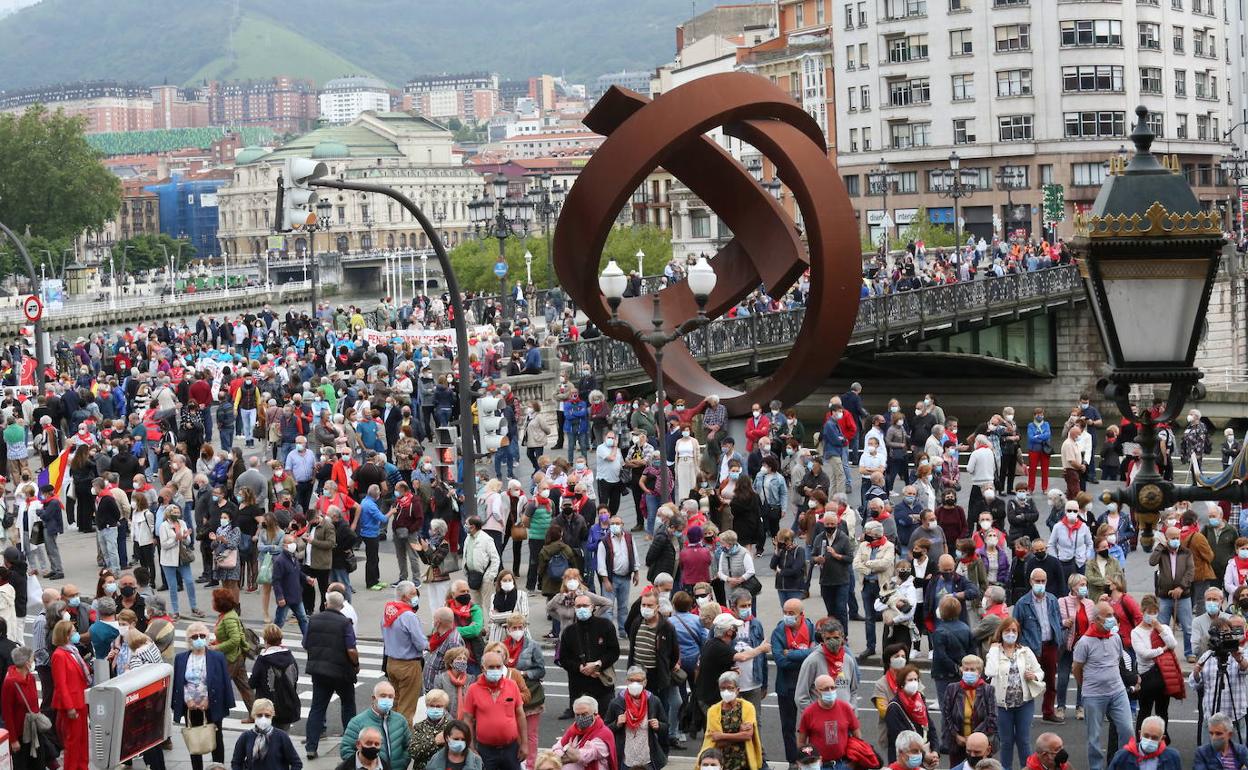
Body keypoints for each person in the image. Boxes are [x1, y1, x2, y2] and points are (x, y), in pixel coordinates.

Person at [1072, 602, 1134, 770]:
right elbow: (1076, 668)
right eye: (1108, 616)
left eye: (1112, 614)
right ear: (1097, 619)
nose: (1112, 619)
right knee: (1094, 737)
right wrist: (1085, 685)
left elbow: (1118, 661)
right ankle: (1097, 767)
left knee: (1128, 730)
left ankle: (1124, 765)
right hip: (1094, 695)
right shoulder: (1084, 642)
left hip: (1117, 691)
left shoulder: (1115, 638)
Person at [303, 592, 359, 760]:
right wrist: (355, 664)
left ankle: (311, 747)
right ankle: (350, 743)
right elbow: (351, 649)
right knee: (348, 705)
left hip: (319, 671)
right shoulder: (344, 623)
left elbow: (306, 643)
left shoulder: (313, 620)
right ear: (341, 607)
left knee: (317, 708)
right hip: (342, 671)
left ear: (326, 603)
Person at [172, 621, 235, 770]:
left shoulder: (217, 657)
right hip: (191, 706)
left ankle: (218, 767)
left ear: (207, 637)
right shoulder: (181, 658)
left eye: (201, 635)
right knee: (194, 740)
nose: (198, 638)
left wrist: (208, 699)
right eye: (194, 636)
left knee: (216, 740)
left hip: (211, 703)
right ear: (189, 639)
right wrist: (187, 700)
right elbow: (180, 682)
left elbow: (222, 681)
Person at [984, 618, 1043, 770]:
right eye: (1007, 631)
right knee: (1006, 741)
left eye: (1014, 631)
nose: (1010, 634)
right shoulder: (995, 652)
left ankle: (1028, 767)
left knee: (1023, 740)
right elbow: (989, 672)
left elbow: (1040, 672)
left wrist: (1034, 676)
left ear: (1018, 633)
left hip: (1024, 703)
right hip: (1002, 705)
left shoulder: (1025, 651)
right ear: (1001, 633)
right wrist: (994, 649)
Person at [1013, 567, 1065, 723]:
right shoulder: (1022, 603)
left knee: (1050, 681)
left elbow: (1057, 620)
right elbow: (1016, 626)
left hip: (1050, 645)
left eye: (1043, 581)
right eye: (1037, 581)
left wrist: (1059, 638)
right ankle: (1024, 714)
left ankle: (1048, 711)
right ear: (1031, 582)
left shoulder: (1052, 600)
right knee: (1027, 682)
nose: (1040, 584)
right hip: (1031, 648)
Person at [463, 649, 528, 769]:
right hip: (485, 751)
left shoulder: (512, 685)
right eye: (491, 667)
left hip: (511, 749)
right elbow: (467, 720)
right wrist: (471, 747)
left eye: (499, 667)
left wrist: (524, 744)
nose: (495, 670)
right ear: (483, 669)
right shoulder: (473, 689)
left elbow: (520, 715)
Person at [560, 591, 621, 716]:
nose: (582, 609)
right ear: (574, 608)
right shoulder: (569, 631)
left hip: (602, 684)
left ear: (592, 607)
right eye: (578, 606)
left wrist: (598, 664)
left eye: (585, 605)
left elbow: (614, 651)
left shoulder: (605, 625)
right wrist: (580, 667)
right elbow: (564, 658)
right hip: (578, 687)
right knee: (582, 726)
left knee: (606, 722)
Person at [773, 597, 817, 766]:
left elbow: (815, 653)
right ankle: (792, 761)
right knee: (788, 727)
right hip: (787, 687)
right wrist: (805, 655)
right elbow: (780, 661)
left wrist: (790, 653)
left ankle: (811, 759)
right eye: (785, 613)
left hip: (809, 686)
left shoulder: (811, 628)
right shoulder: (778, 631)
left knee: (812, 725)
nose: (787, 616)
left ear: (801, 615)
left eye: (791, 613)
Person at [1131, 594, 1180, 737]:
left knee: (1162, 711)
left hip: (1163, 675)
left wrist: (1159, 628)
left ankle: (1162, 739)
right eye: (1149, 612)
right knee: (1145, 711)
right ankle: (1141, 740)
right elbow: (1144, 654)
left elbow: (1173, 644)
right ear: (1142, 611)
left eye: (1155, 612)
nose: (1152, 616)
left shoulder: (1163, 627)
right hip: (1146, 676)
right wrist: (1162, 650)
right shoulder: (1136, 632)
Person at [381, 580, 427, 720]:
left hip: (391, 662)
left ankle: (391, 734)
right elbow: (420, 644)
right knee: (407, 707)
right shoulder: (409, 616)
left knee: (394, 703)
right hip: (408, 665)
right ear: (405, 596)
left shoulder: (388, 612)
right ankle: (403, 739)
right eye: (413, 593)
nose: (416, 596)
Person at [340, 681, 410, 770]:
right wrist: (364, 766)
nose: (387, 699)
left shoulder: (400, 720)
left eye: (390, 696)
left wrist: (403, 763)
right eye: (383, 696)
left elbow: (408, 746)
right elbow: (346, 750)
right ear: (374, 698)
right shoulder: (357, 722)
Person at [939, 654, 995, 767]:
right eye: (966, 669)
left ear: (979, 672)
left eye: (972, 669)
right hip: (957, 742)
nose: (969, 672)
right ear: (961, 670)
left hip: (980, 744)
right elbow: (946, 715)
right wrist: (956, 735)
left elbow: (992, 717)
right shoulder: (952, 688)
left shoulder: (988, 690)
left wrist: (974, 738)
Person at [796, 673, 862, 767]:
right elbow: (801, 742)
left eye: (833, 687)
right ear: (817, 691)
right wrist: (805, 764)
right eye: (826, 689)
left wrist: (855, 761)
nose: (830, 691)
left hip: (843, 763)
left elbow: (857, 735)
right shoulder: (809, 712)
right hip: (820, 765)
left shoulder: (845, 708)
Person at [701, 671, 764, 770]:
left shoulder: (747, 707)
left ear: (737, 690)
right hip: (720, 761)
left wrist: (722, 735)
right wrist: (739, 734)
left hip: (744, 761)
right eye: (723, 688)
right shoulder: (713, 711)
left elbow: (747, 736)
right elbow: (718, 741)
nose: (726, 691)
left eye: (730, 688)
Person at [1150, 526, 1195, 660]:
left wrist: (1181, 587)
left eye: (1177, 538)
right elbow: (1152, 562)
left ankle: (1189, 652)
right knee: (1162, 626)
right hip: (1164, 596)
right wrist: (1160, 546)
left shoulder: (1186, 552)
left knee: (1187, 627)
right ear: (1166, 538)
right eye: (1173, 538)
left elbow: (1190, 572)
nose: (1176, 540)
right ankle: (1162, 651)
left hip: (1183, 595)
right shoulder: (1162, 551)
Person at [247, 624, 300, 733]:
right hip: (287, 704)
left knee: (266, 739)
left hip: (266, 707)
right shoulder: (290, 657)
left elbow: (252, 683)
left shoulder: (263, 660)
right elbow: (295, 678)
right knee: (283, 738)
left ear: (266, 640)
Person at [210, 588, 254, 719]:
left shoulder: (228, 618)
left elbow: (234, 640)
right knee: (245, 686)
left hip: (231, 658)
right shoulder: (228, 615)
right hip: (236, 656)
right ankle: (255, 714)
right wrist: (216, 641)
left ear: (220, 603)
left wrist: (216, 647)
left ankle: (214, 714)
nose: (211, 602)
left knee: (217, 686)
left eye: (214, 600)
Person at [228, 698, 302, 770]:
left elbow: (296, 763)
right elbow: (236, 762)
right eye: (259, 715)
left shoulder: (281, 736)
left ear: (272, 715)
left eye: (267, 715)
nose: (263, 718)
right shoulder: (245, 737)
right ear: (253, 715)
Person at [597, 515, 640, 637]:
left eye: (618, 523)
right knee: (608, 607)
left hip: (625, 577)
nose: (615, 525)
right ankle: (608, 633)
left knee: (623, 607)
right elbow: (601, 564)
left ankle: (623, 631)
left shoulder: (629, 538)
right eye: (613, 523)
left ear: (622, 525)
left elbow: (634, 554)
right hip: (612, 578)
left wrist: (636, 572)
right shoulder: (604, 541)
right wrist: (605, 580)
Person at [158, 504, 202, 618]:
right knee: (172, 586)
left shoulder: (182, 523)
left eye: (178, 512)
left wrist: (185, 537)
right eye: (174, 512)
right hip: (168, 560)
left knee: (189, 582)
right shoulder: (164, 526)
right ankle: (175, 611)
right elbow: (164, 545)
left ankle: (194, 607)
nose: (176, 514)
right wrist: (175, 539)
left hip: (182, 558)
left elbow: (187, 542)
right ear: (168, 513)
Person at [2, 646, 40, 770]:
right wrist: (13, 740)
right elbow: (7, 713)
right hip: (20, 735)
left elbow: (35, 707)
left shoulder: (31, 679)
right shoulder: (10, 683)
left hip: (34, 731)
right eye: (32, 659)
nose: (33, 661)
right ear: (26, 663)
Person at [885, 666, 931, 764]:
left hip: (921, 754)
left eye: (916, 679)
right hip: (903, 759)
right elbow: (901, 738)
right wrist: (924, 755)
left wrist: (935, 751)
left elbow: (930, 725)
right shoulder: (894, 707)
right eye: (910, 680)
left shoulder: (920, 699)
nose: (914, 682)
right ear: (902, 683)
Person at [1106, 716, 1181, 770]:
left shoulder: (1173, 757)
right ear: (1140, 734)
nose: (1149, 740)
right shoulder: (1122, 757)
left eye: (1154, 737)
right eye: (1146, 735)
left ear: (1162, 739)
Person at [408, 688, 453, 768]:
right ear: (427, 706)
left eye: (439, 706)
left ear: (445, 708)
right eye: (432, 706)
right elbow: (413, 752)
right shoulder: (419, 726)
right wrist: (435, 741)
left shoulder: (451, 727)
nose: (435, 709)